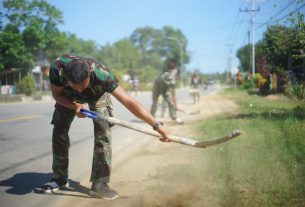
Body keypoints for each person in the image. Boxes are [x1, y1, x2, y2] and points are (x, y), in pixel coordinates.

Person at [35, 54, 169, 200]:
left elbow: (129, 102)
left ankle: (100, 183)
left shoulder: (102, 74)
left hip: (97, 95)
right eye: (76, 87)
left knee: (103, 133)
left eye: (83, 86)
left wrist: (156, 125)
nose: (80, 91)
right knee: (59, 131)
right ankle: (59, 178)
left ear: (89, 74)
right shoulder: (57, 68)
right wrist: (75, 106)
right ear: (66, 77)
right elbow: (57, 95)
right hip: (68, 97)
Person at [150, 59, 183, 124]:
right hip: (157, 87)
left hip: (166, 89)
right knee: (155, 103)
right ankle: (151, 117)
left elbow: (173, 86)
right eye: (172, 63)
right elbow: (164, 79)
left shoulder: (176, 71)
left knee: (170, 102)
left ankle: (174, 117)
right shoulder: (165, 70)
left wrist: (174, 102)